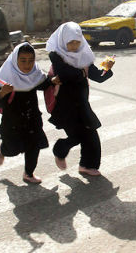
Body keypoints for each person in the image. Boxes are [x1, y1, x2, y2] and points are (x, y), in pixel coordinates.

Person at [46, 22, 114, 176]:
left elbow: (97, 76)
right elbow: (65, 74)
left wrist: (107, 68)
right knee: (76, 136)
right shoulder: (56, 55)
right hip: (65, 105)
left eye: (78, 42)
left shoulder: (84, 54)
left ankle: (87, 165)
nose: (75, 46)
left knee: (91, 134)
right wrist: (82, 74)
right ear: (63, 41)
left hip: (82, 103)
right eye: (71, 43)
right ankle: (59, 150)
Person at [0, 42, 61, 184]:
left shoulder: (34, 74)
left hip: (32, 120)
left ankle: (28, 174)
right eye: (23, 60)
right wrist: (2, 94)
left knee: (33, 147)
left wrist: (52, 81)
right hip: (12, 124)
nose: (27, 64)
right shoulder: (5, 79)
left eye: (31, 60)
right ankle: (2, 149)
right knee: (12, 150)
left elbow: (42, 83)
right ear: (15, 60)